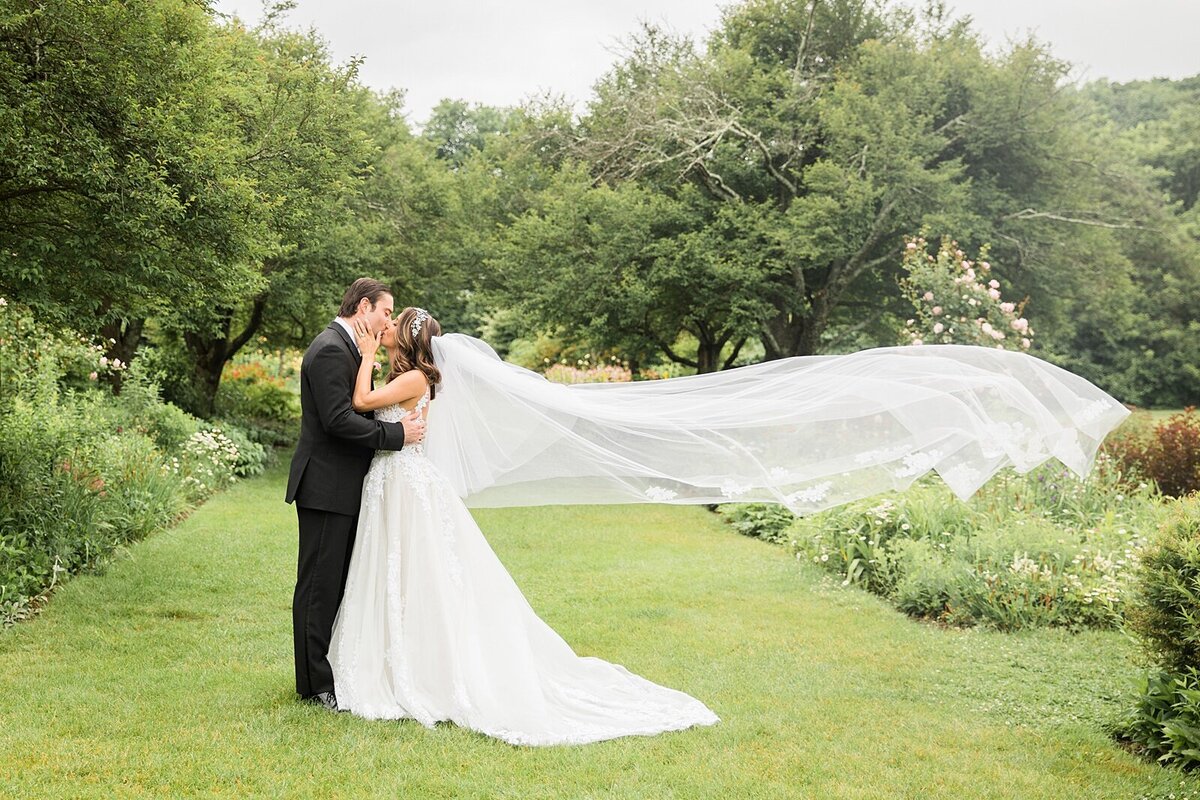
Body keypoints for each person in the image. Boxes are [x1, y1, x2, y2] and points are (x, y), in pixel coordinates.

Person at [328, 307, 722, 745]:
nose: (386, 329)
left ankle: (422, 667)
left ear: (407, 337)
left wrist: (364, 355)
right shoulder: (410, 376)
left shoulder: (416, 378)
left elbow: (361, 403)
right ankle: (397, 657)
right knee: (398, 571)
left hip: (404, 483)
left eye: (394, 324)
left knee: (417, 572)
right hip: (394, 482)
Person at [285, 279, 426, 713]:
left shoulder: (349, 349)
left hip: (344, 486)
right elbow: (338, 421)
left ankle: (327, 675)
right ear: (364, 306)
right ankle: (314, 688)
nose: (389, 321)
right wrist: (396, 435)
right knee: (318, 588)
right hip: (326, 487)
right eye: (386, 311)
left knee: (335, 585)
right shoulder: (331, 348)